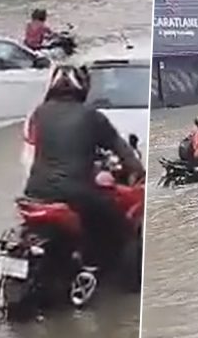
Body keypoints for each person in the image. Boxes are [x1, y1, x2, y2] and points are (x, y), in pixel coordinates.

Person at [24, 65, 145, 268]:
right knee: (119, 220)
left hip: (34, 192)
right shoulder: (92, 116)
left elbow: (32, 146)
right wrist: (138, 170)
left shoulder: (38, 113)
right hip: (75, 193)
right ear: (83, 88)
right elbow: (122, 150)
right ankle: (98, 264)